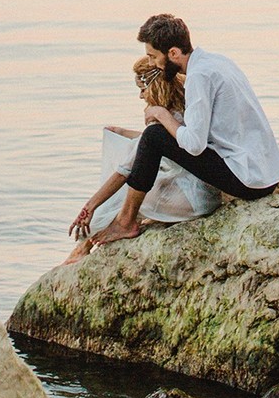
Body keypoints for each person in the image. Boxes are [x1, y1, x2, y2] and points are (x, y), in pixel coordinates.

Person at [93, 14, 279, 247]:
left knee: (154, 136)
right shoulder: (218, 61)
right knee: (156, 137)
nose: (153, 64)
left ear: (173, 53)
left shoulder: (199, 76)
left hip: (247, 181)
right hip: (267, 174)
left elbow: (195, 145)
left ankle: (125, 221)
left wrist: (160, 114)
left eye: (154, 57)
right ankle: (127, 217)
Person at [65, 55, 219, 260]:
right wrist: (122, 131)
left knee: (127, 193)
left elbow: (124, 171)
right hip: (206, 194)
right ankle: (87, 244)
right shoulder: (184, 109)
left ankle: (88, 243)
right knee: (137, 166)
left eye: (142, 89)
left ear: (154, 88)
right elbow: (161, 144)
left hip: (191, 201)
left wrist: (89, 207)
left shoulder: (161, 120)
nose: (140, 96)